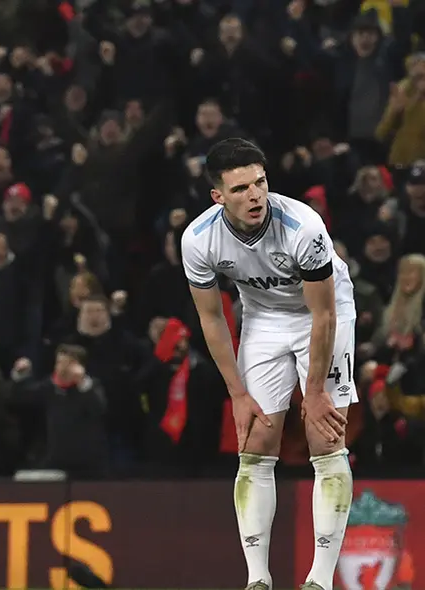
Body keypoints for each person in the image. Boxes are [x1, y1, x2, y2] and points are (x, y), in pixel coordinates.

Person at [180, 138, 356, 590]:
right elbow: (211, 316)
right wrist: (237, 394)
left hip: (324, 312)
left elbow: (324, 314)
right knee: (256, 439)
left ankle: (320, 580)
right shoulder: (198, 240)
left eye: (260, 182)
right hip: (262, 317)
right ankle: (258, 580)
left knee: (325, 435)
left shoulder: (303, 226)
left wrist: (314, 392)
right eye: (240, 189)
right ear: (217, 196)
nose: (255, 195)